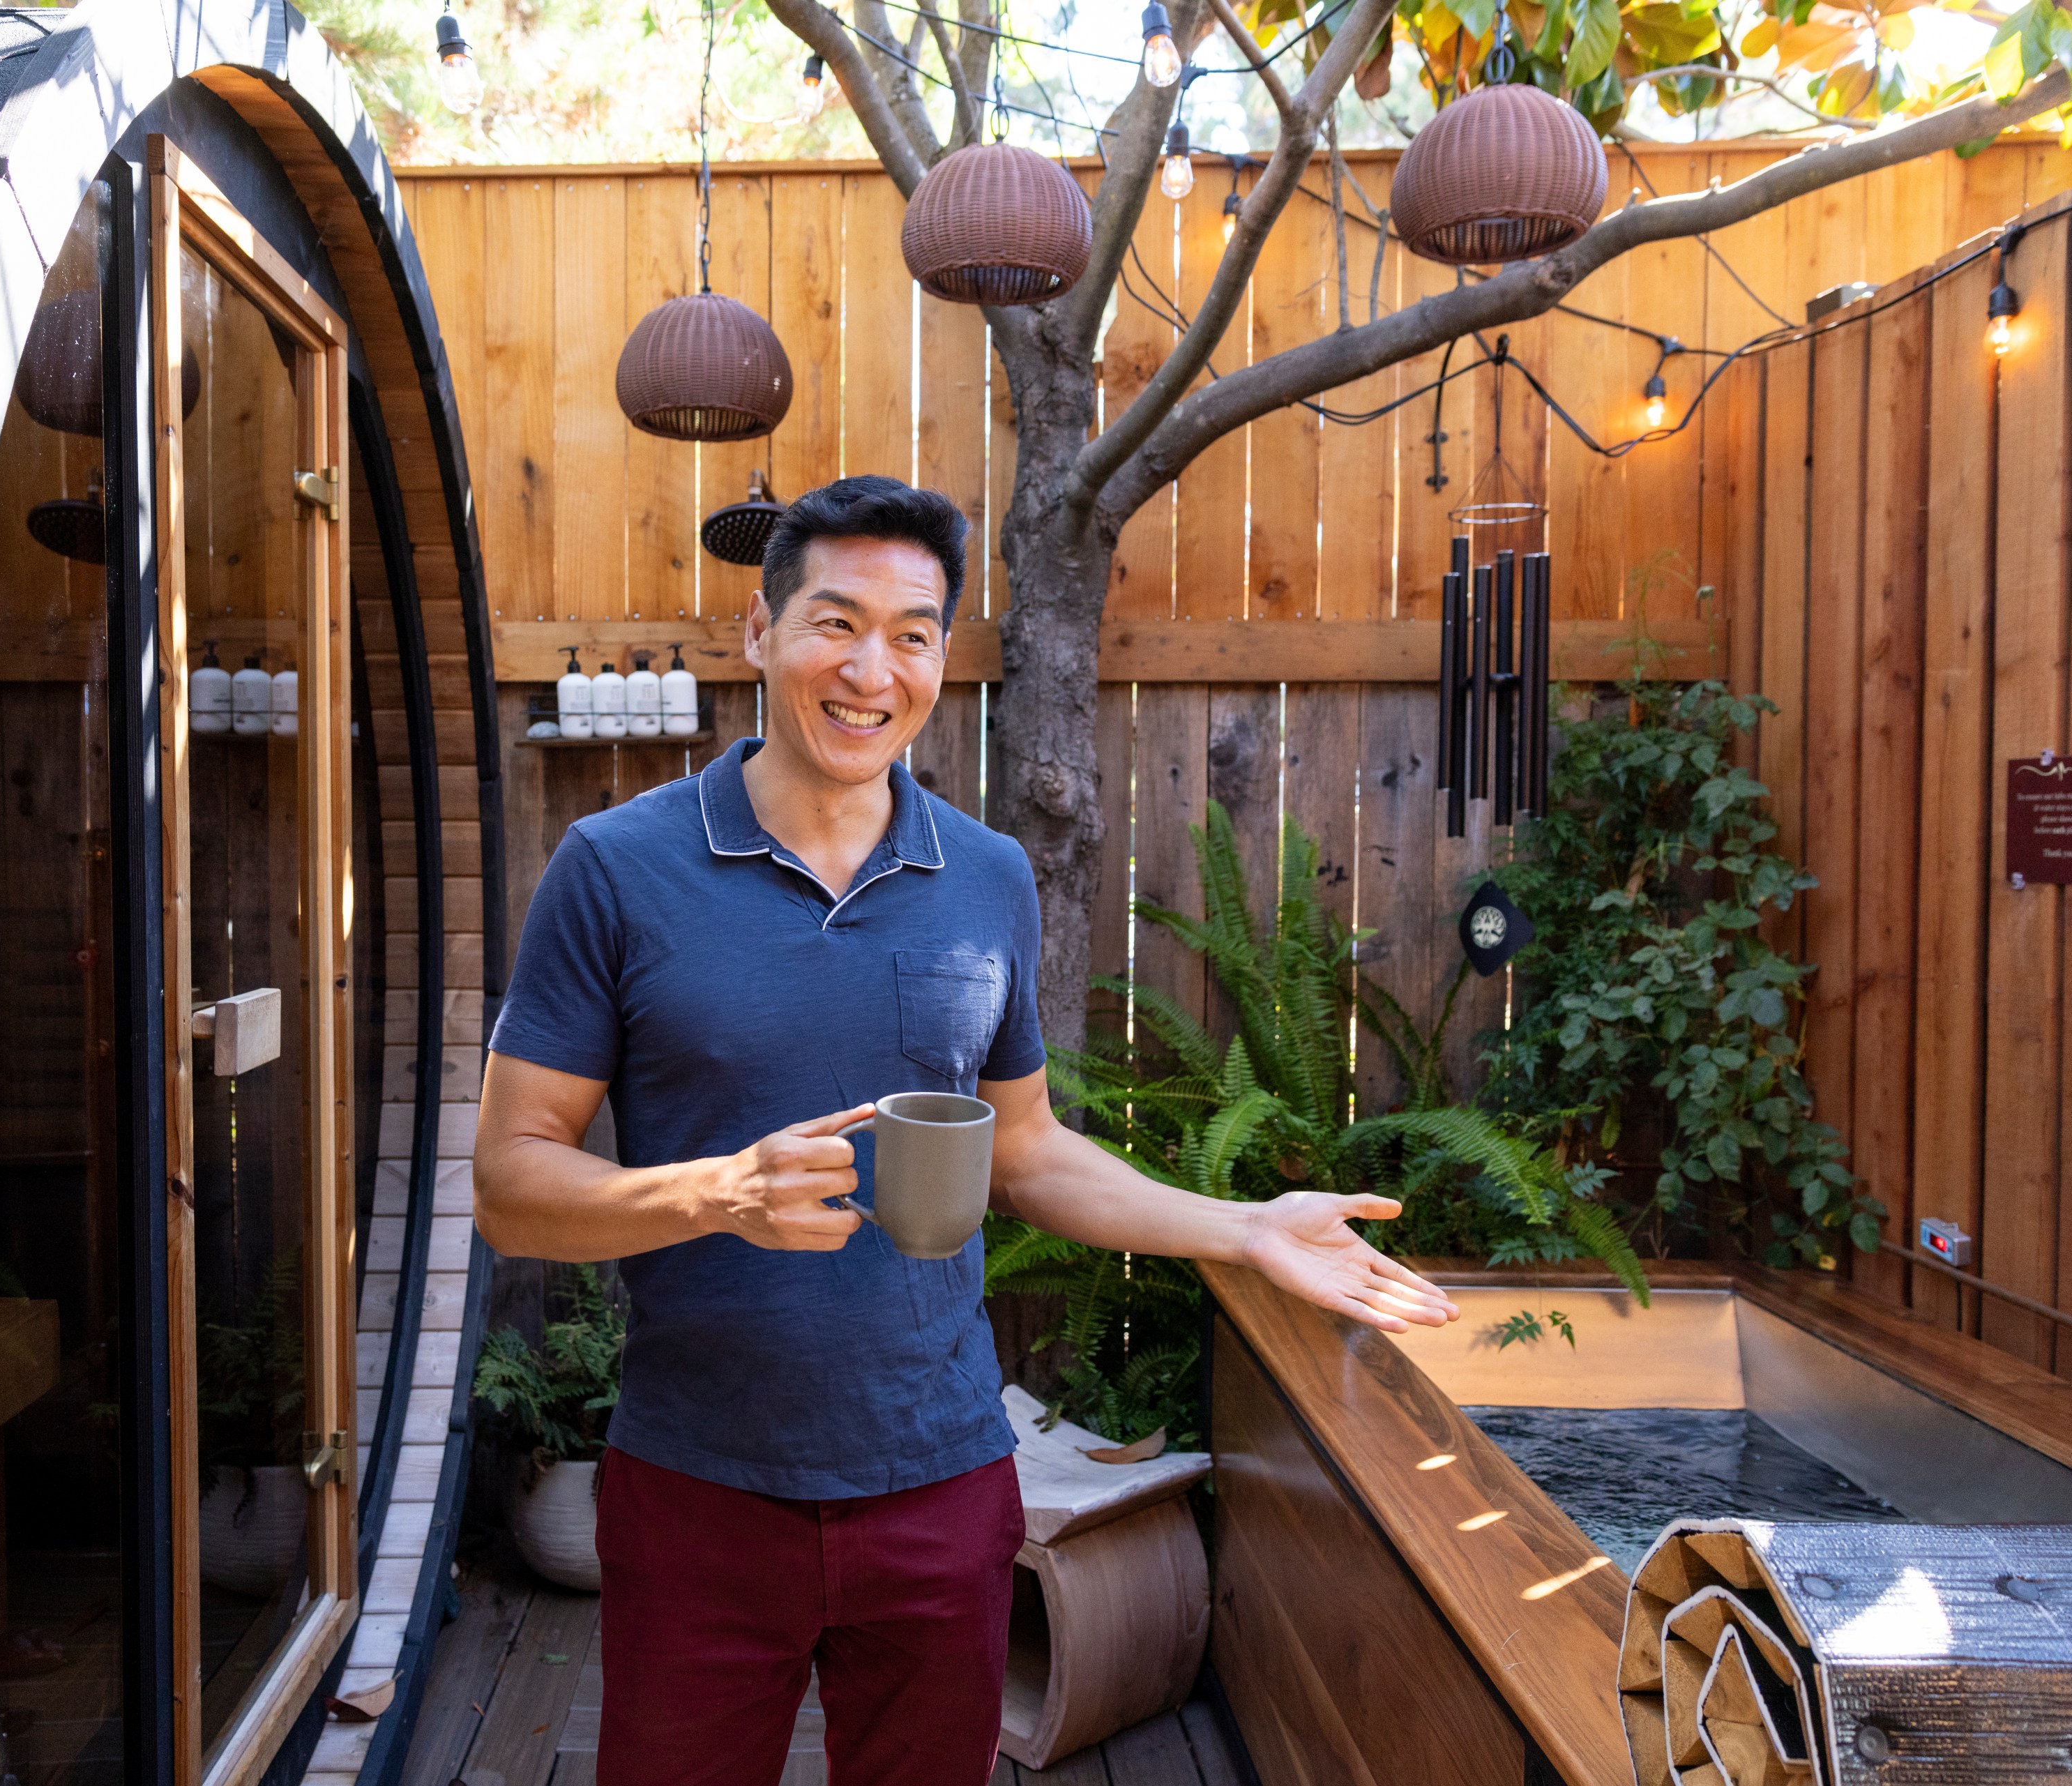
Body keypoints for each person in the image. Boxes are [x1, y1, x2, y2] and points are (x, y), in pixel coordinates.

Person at [474, 475, 1458, 1785]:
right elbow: (509, 1180)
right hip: (699, 1485)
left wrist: (1244, 1226)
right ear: (757, 634)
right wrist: (717, 1193)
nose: (871, 668)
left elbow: (1031, 1150)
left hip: (940, 1483)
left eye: (914, 633)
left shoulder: (987, 877)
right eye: (835, 621)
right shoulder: (614, 867)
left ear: (944, 655)